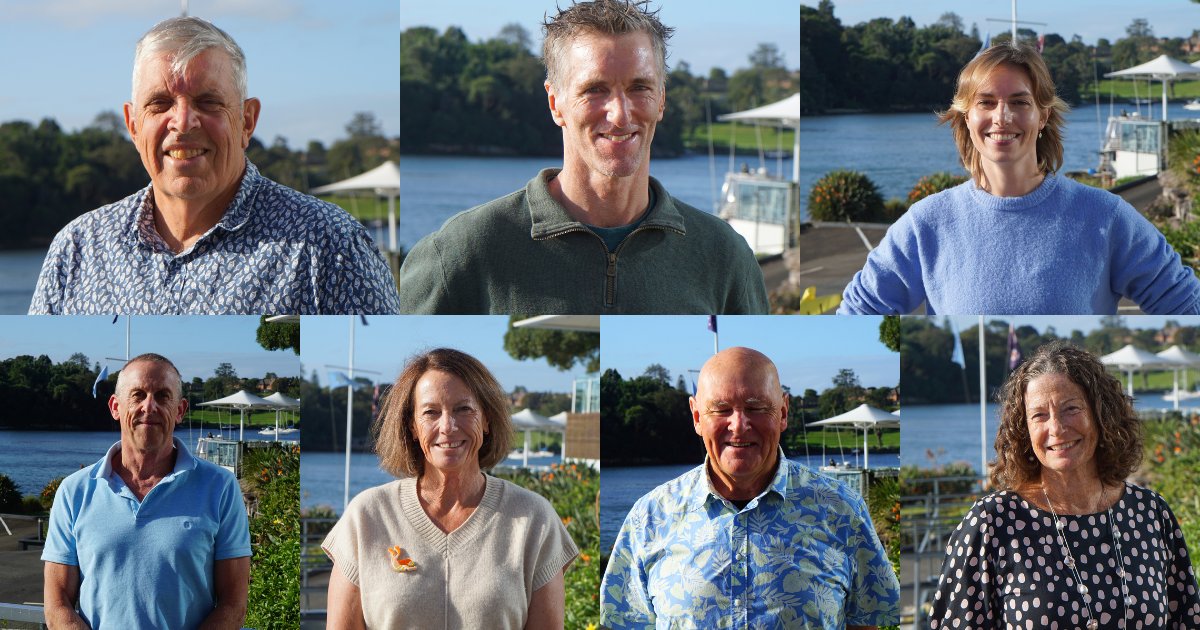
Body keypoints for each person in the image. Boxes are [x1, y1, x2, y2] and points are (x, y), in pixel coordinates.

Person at [397, 0, 768, 314]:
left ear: (662, 100)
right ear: (555, 103)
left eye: (640, 87)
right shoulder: (460, 254)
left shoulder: (725, 256)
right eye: (595, 90)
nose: (620, 114)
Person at [30, 16, 401, 315]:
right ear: (132, 124)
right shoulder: (78, 248)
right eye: (160, 103)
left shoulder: (330, 246)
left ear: (247, 121)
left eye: (208, 102)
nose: (183, 122)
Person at [838, 42, 1200, 315]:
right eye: (986, 102)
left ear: (1042, 116)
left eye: (1020, 102)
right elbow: (855, 317)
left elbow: (1186, 304)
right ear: (966, 116)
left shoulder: (1105, 217)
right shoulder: (926, 224)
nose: (1002, 116)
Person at [601, 347, 899, 628]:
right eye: (721, 410)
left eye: (756, 407)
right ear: (696, 418)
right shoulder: (649, 517)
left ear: (783, 413)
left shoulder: (842, 509)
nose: (739, 425)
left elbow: (866, 619)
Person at [929, 342, 1200, 628]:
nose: (1056, 428)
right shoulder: (992, 524)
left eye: (1071, 409)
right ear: (1024, 429)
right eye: (1039, 415)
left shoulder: (1150, 512)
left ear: (1101, 415)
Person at [322, 348, 578, 628]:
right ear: (412, 427)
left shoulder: (534, 519)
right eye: (431, 412)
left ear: (488, 419)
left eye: (464, 409)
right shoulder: (366, 516)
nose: (448, 426)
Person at [42, 353, 251, 629]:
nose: (149, 406)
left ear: (180, 410)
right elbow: (57, 603)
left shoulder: (220, 487)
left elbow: (233, 604)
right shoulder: (74, 491)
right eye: (138, 395)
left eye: (163, 396)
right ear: (115, 407)